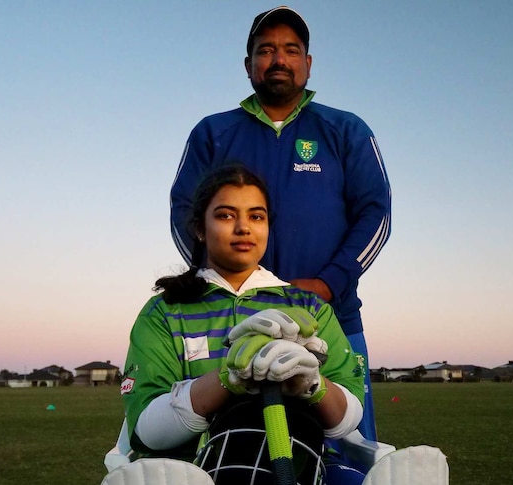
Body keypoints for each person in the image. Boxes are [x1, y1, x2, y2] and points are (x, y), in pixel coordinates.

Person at [170, 5, 391, 441]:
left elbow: (376, 214)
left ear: (308, 64)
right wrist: (228, 287)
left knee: (348, 448)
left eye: (291, 49)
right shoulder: (213, 132)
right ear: (248, 64)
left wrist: (328, 284)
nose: (279, 59)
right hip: (230, 327)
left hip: (333, 319)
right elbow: (184, 212)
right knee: (231, 448)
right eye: (265, 49)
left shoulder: (344, 130)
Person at [122, 164, 366, 484]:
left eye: (256, 216)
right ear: (199, 228)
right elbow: (147, 431)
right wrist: (229, 378)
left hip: (303, 465)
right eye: (225, 215)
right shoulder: (164, 311)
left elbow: (346, 421)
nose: (243, 228)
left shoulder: (308, 307)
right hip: (194, 473)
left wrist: (311, 384)